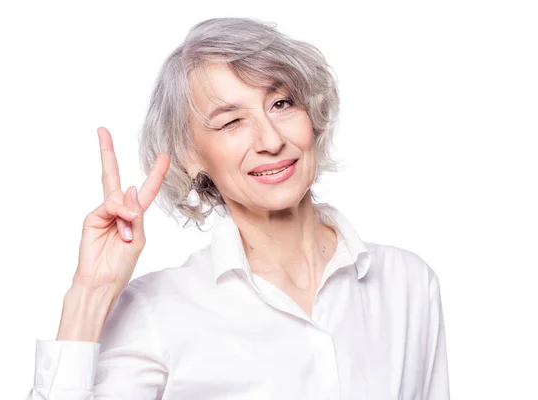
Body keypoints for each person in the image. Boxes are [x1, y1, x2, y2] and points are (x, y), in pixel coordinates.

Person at [25, 17, 450, 400]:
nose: (270, 139)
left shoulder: (408, 284)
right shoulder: (158, 312)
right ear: (190, 155)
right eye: (231, 122)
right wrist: (90, 293)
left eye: (281, 104)